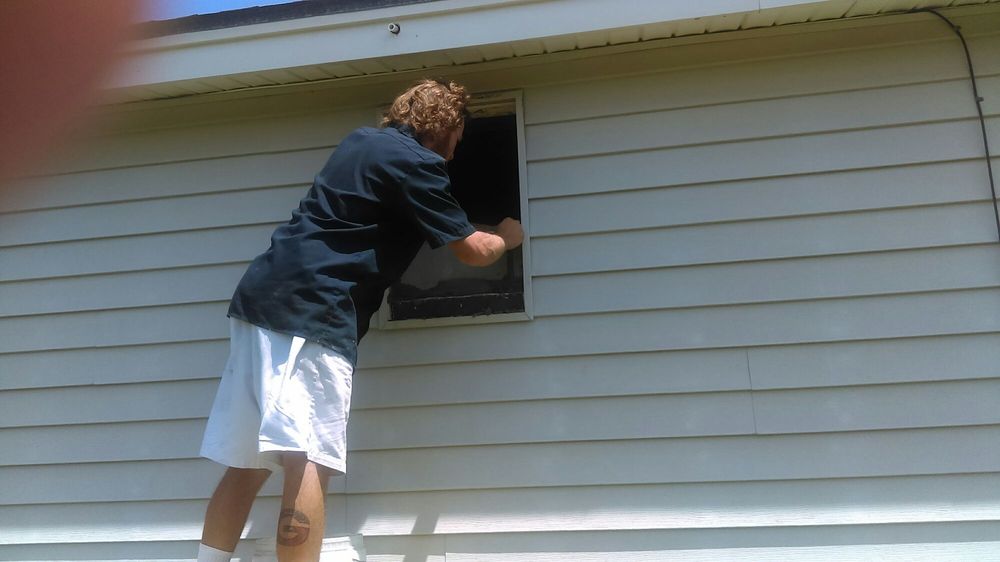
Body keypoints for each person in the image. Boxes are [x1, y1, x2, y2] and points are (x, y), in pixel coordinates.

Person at [196, 79, 524, 562]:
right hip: (314, 312)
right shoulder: (418, 163)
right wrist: (507, 237)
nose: (456, 151)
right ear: (446, 127)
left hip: (260, 302)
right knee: (308, 457)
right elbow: (473, 251)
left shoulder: (359, 142)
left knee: (247, 460)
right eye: (459, 136)